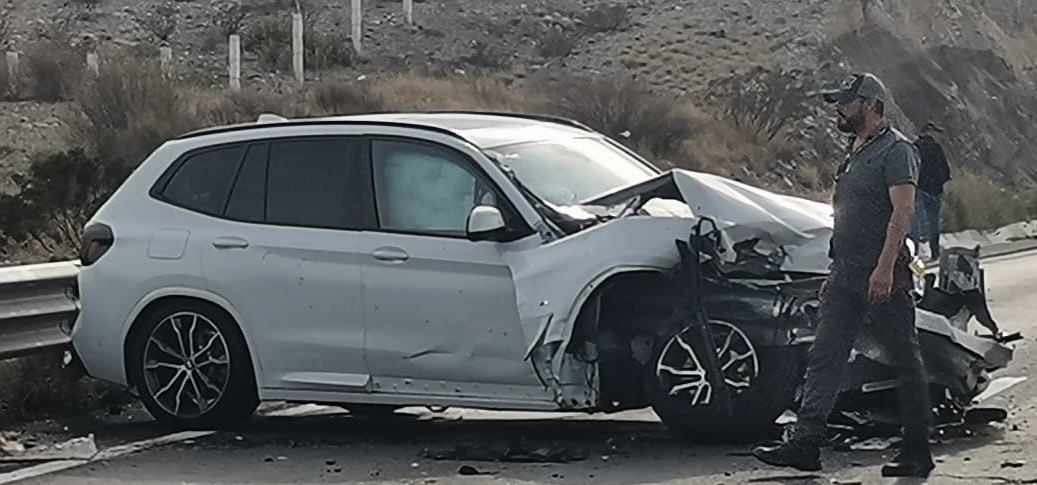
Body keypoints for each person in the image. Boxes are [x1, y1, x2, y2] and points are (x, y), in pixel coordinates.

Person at [751, 72, 935, 478]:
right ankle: (806, 443)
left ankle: (917, 449)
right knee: (825, 355)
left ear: (870, 104)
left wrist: (885, 267)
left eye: (845, 102)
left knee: (904, 359)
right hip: (844, 274)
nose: (838, 109)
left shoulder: (897, 151)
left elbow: (903, 212)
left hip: (884, 273)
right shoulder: (856, 150)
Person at [911, 122, 951, 260]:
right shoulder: (936, 148)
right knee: (934, 223)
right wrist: (941, 182)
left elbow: (911, 168)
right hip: (935, 190)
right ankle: (935, 252)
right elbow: (944, 169)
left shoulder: (914, 148)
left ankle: (914, 253)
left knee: (917, 224)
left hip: (919, 189)